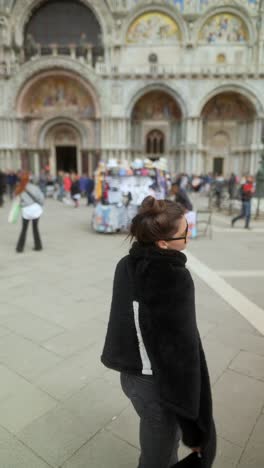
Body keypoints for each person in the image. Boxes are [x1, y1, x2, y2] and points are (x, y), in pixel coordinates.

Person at [101, 196, 216, 468]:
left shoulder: (127, 262)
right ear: (163, 243)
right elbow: (180, 352)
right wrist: (194, 422)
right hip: (155, 382)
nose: (189, 235)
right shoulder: (173, 276)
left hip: (129, 375)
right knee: (159, 454)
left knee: (157, 442)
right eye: (185, 232)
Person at [15, 172, 44, 253]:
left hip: (26, 210)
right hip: (36, 209)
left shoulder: (19, 188)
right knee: (35, 228)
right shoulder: (35, 187)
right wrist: (41, 205)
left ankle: (20, 248)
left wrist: (22, 205)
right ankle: (38, 246)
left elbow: (18, 201)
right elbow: (41, 197)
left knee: (24, 229)